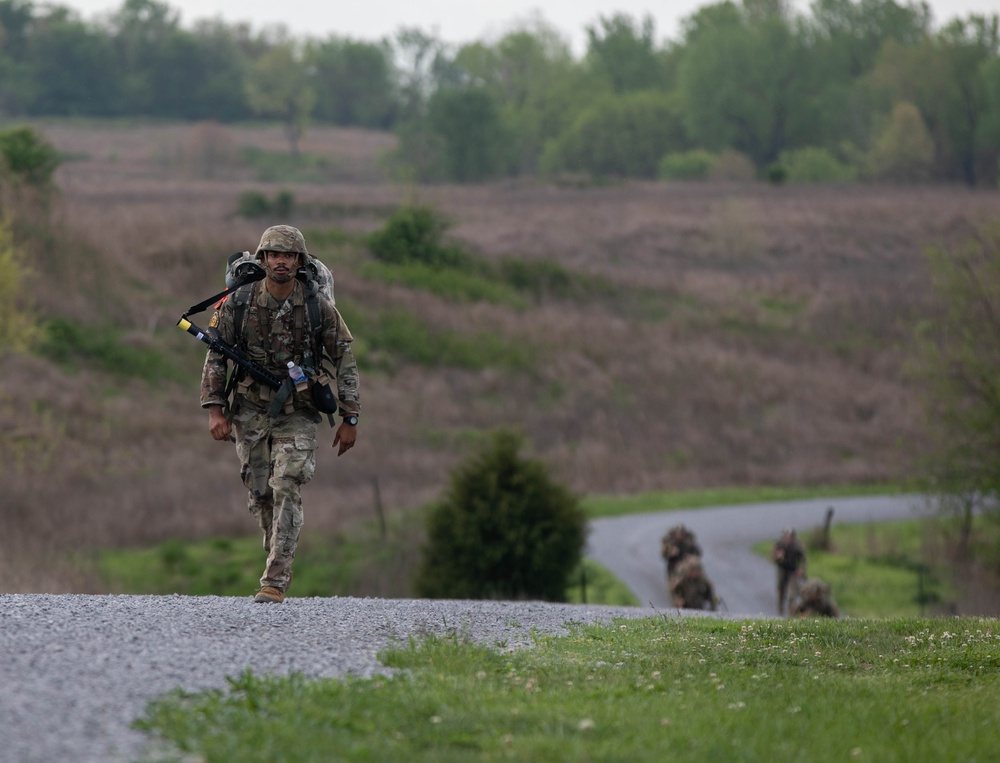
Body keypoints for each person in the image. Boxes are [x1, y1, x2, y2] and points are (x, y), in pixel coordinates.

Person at [200, 224, 361, 604]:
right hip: (249, 411)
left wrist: (350, 417)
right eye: (273, 255)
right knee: (260, 494)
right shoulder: (238, 303)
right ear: (263, 260)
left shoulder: (317, 307)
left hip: (299, 411)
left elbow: (345, 360)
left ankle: (275, 579)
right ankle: (277, 549)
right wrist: (214, 409)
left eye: (288, 255)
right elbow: (216, 357)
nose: (281, 262)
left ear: (299, 261)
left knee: (287, 482)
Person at [772, 527, 807, 615]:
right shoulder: (779, 545)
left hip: (793, 571)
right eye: (785, 536)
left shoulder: (797, 546)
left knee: (792, 594)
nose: (787, 539)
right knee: (781, 590)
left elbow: (803, 558)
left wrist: (801, 569)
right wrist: (778, 558)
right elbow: (773, 557)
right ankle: (780, 612)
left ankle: (791, 613)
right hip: (782, 570)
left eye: (789, 537)